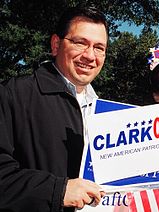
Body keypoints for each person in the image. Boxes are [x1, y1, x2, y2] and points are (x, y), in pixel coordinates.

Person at [0, 5, 108, 212]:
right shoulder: (12, 94)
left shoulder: (106, 113)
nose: (89, 55)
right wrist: (57, 191)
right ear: (56, 44)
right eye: (80, 43)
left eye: (99, 48)